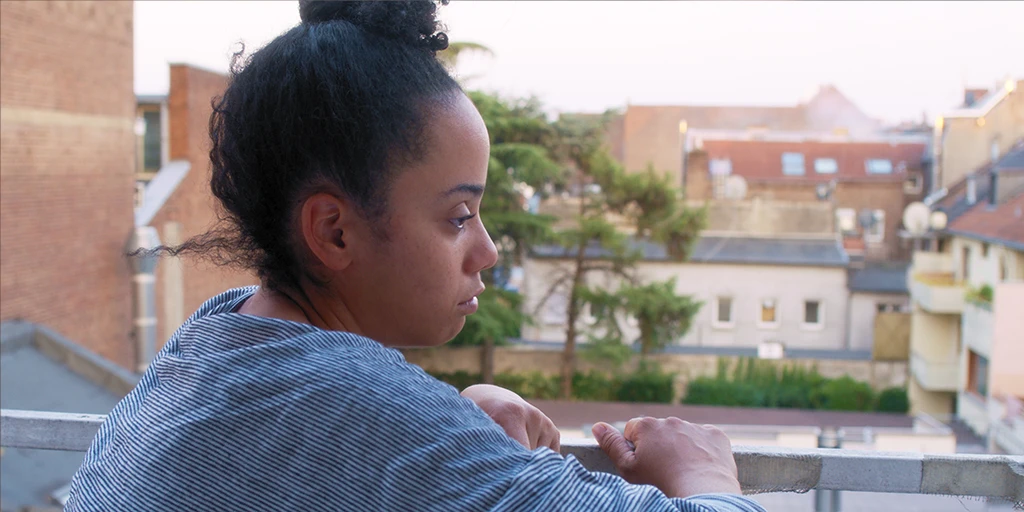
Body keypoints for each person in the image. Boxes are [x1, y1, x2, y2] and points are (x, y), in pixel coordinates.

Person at [66, 1, 765, 511]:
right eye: (458, 216)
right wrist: (706, 476)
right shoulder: (359, 405)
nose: (487, 250)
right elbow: (371, 422)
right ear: (334, 232)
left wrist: (453, 421)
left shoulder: (206, 347)